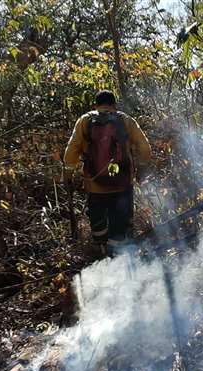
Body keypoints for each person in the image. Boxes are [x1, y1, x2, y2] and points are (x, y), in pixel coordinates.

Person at [64, 90, 151, 256]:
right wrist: (141, 169)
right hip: (123, 184)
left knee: (98, 221)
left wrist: (67, 174)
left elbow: (71, 151)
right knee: (120, 223)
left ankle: (101, 252)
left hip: (95, 185)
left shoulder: (85, 120)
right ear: (114, 104)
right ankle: (119, 259)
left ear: (96, 105)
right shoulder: (126, 120)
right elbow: (145, 148)